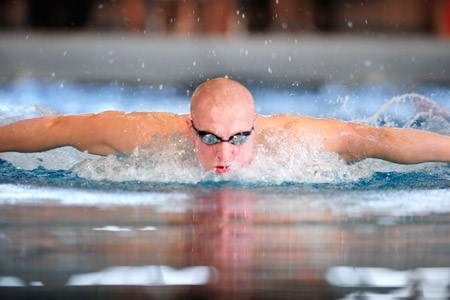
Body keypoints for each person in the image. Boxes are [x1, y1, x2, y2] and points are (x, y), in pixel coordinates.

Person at [0, 78, 449, 174]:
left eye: (238, 139)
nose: (225, 156)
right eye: (210, 139)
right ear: (189, 128)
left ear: (256, 128)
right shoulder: (145, 135)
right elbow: (58, 125)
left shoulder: (297, 141)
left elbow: (381, 138)